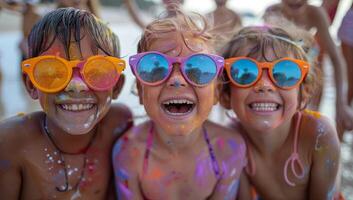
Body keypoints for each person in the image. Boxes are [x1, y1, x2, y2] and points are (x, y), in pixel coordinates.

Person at [112, 9, 246, 199]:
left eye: (199, 68)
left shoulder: (228, 149)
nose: (176, 80)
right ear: (141, 92)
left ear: (216, 92)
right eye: (155, 67)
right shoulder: (129, 152)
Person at [0, 8, 132, 199]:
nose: (76, 86)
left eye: (96, 72)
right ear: (31, 84)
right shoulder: (11, 143)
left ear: (117, 86)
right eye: (53, 72)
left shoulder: (119, 123)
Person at [220, 25, 341, 199]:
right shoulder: (231, 140)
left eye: (284, 73)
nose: (264, 85)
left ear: (303, 93)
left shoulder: (318, 135)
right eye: (245, 73)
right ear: (225, 95)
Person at [264, 0, 353, 139]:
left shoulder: (316, 13)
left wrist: (340, 104)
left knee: (309, 128)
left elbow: (336, 59)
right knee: (282, 130)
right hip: (283, 77)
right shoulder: (272, 12)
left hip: (309, 76)